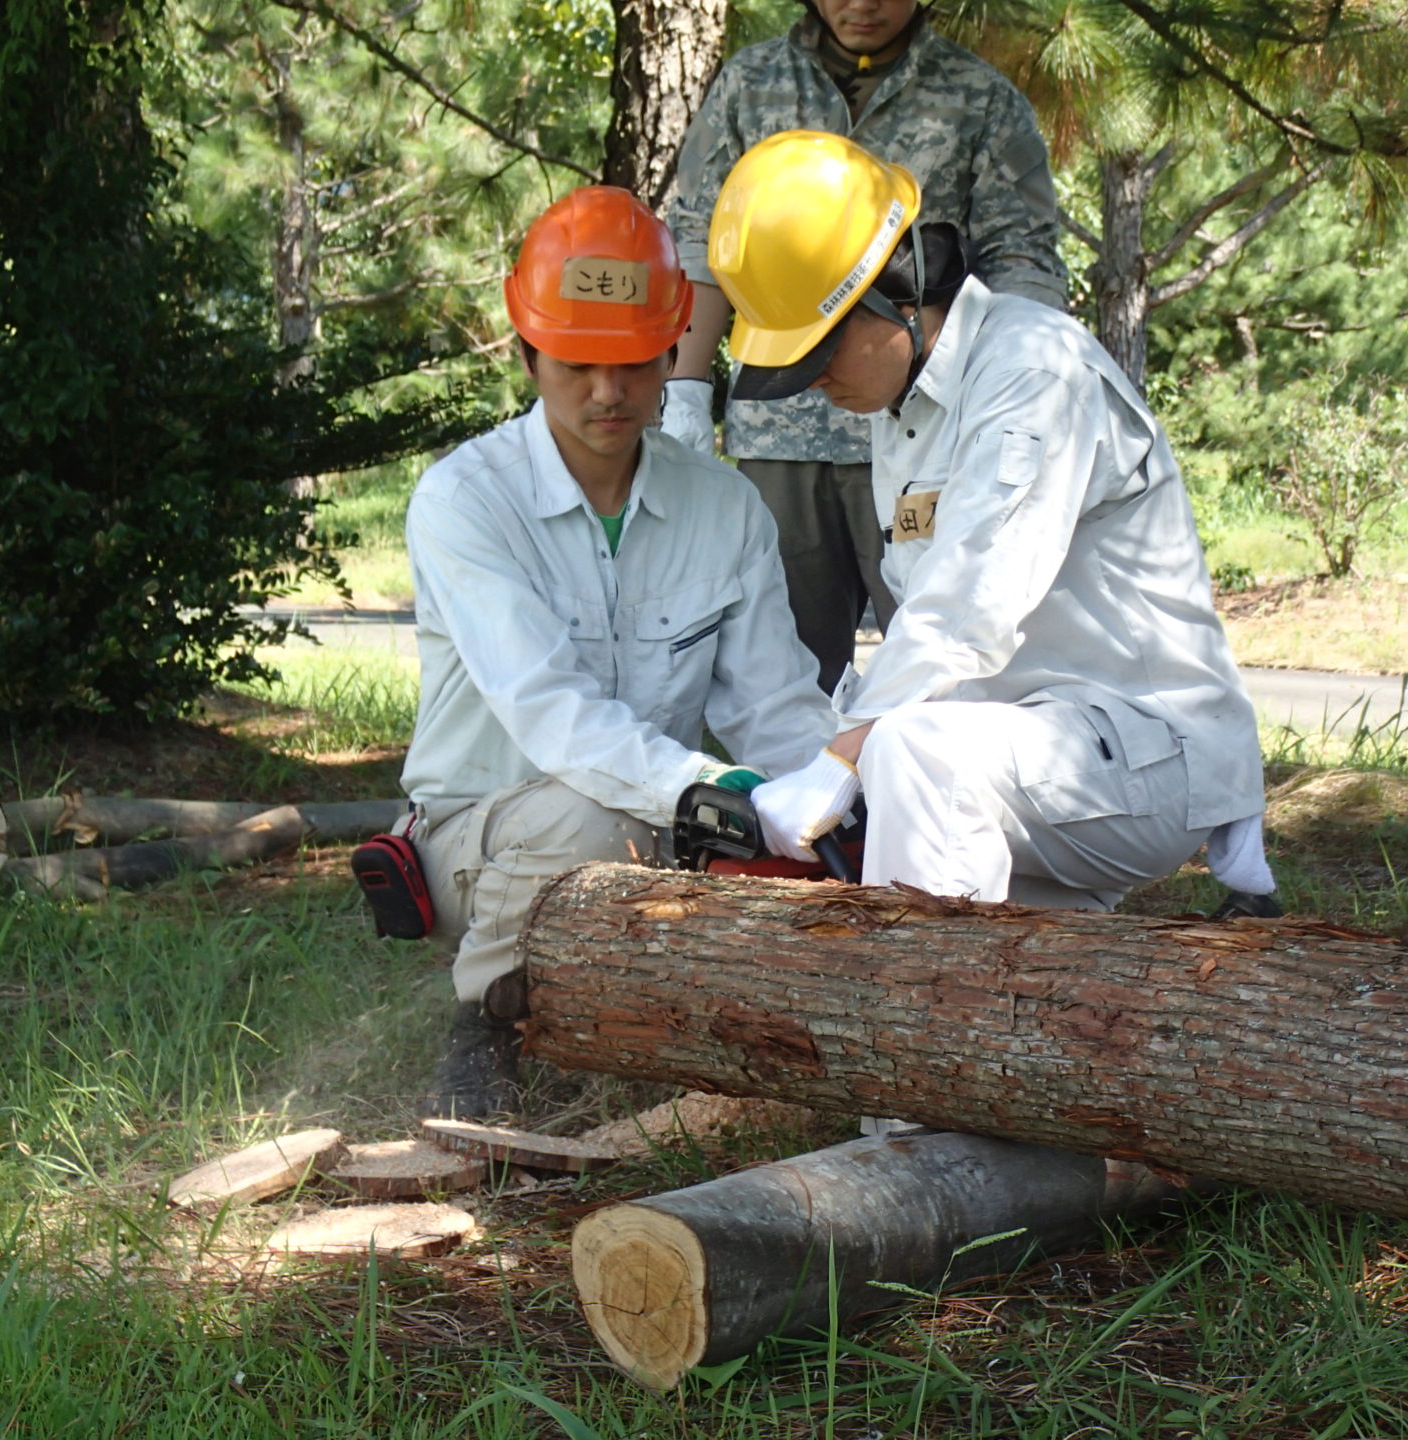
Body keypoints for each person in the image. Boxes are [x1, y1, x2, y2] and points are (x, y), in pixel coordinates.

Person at [706, 130, 1279, 924]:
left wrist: (842, 759)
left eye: (820, 352)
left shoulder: (1031, 372)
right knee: (1039, 969)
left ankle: (921, 1033)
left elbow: (967, 606)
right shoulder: (901, 403)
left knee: (911, 758)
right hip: (1029, 758)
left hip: (1147, 753)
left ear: (895, 291)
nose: (815, 384)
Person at [396, 186, 835, 1117]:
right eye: (577, 363)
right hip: (484, 831)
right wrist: (706, 795)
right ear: (526, 353)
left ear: (674, 352)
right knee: (596, 821)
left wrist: (828, 804)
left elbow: (779, 706)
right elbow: (550, 711)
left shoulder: (724, 506)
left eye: (634, 363)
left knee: (795, 845)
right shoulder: (464, 501)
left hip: (664, 823)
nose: (607, 392)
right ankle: (482, 1029)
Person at [663, 0, 1069, 693]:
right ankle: (801, 804)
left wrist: (1010, 397)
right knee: (776, 679)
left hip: (931, 433)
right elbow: (703, 243)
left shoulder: (980, 98)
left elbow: (1023, 261)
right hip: (781, 434)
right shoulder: (750, 84)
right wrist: (686, 392)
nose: (863, 4)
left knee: (945, 669)